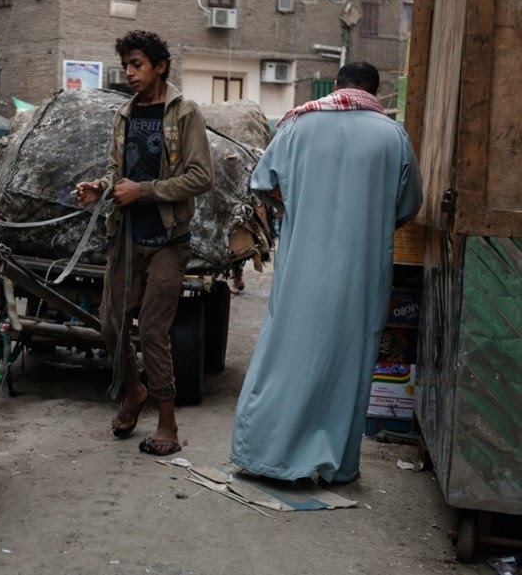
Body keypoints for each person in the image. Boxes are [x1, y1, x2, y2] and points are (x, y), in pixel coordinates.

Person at [229, 61, 422, 484]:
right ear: (375, 90)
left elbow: (262, 182)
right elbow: (408, 207)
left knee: (285, 354)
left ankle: (266, 455)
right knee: (347, 366)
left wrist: (296, 202)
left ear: (338, 87)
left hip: (301, 270)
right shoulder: (393, 137)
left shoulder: (299, 125)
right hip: (362, 276)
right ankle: (335, 465)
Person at [75, 30, 214, 456]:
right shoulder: (124, 115)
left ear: (160, 66)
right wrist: (102, 188)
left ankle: (167, 423)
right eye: (126, 66)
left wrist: (145, 191)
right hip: (127, 237)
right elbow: (121, 174)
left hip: (168, 240)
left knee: (153, 331)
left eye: (137, 64)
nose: (130, 73)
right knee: (111, 324)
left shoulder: (184, 112)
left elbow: (200, 177)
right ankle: (133, 391)